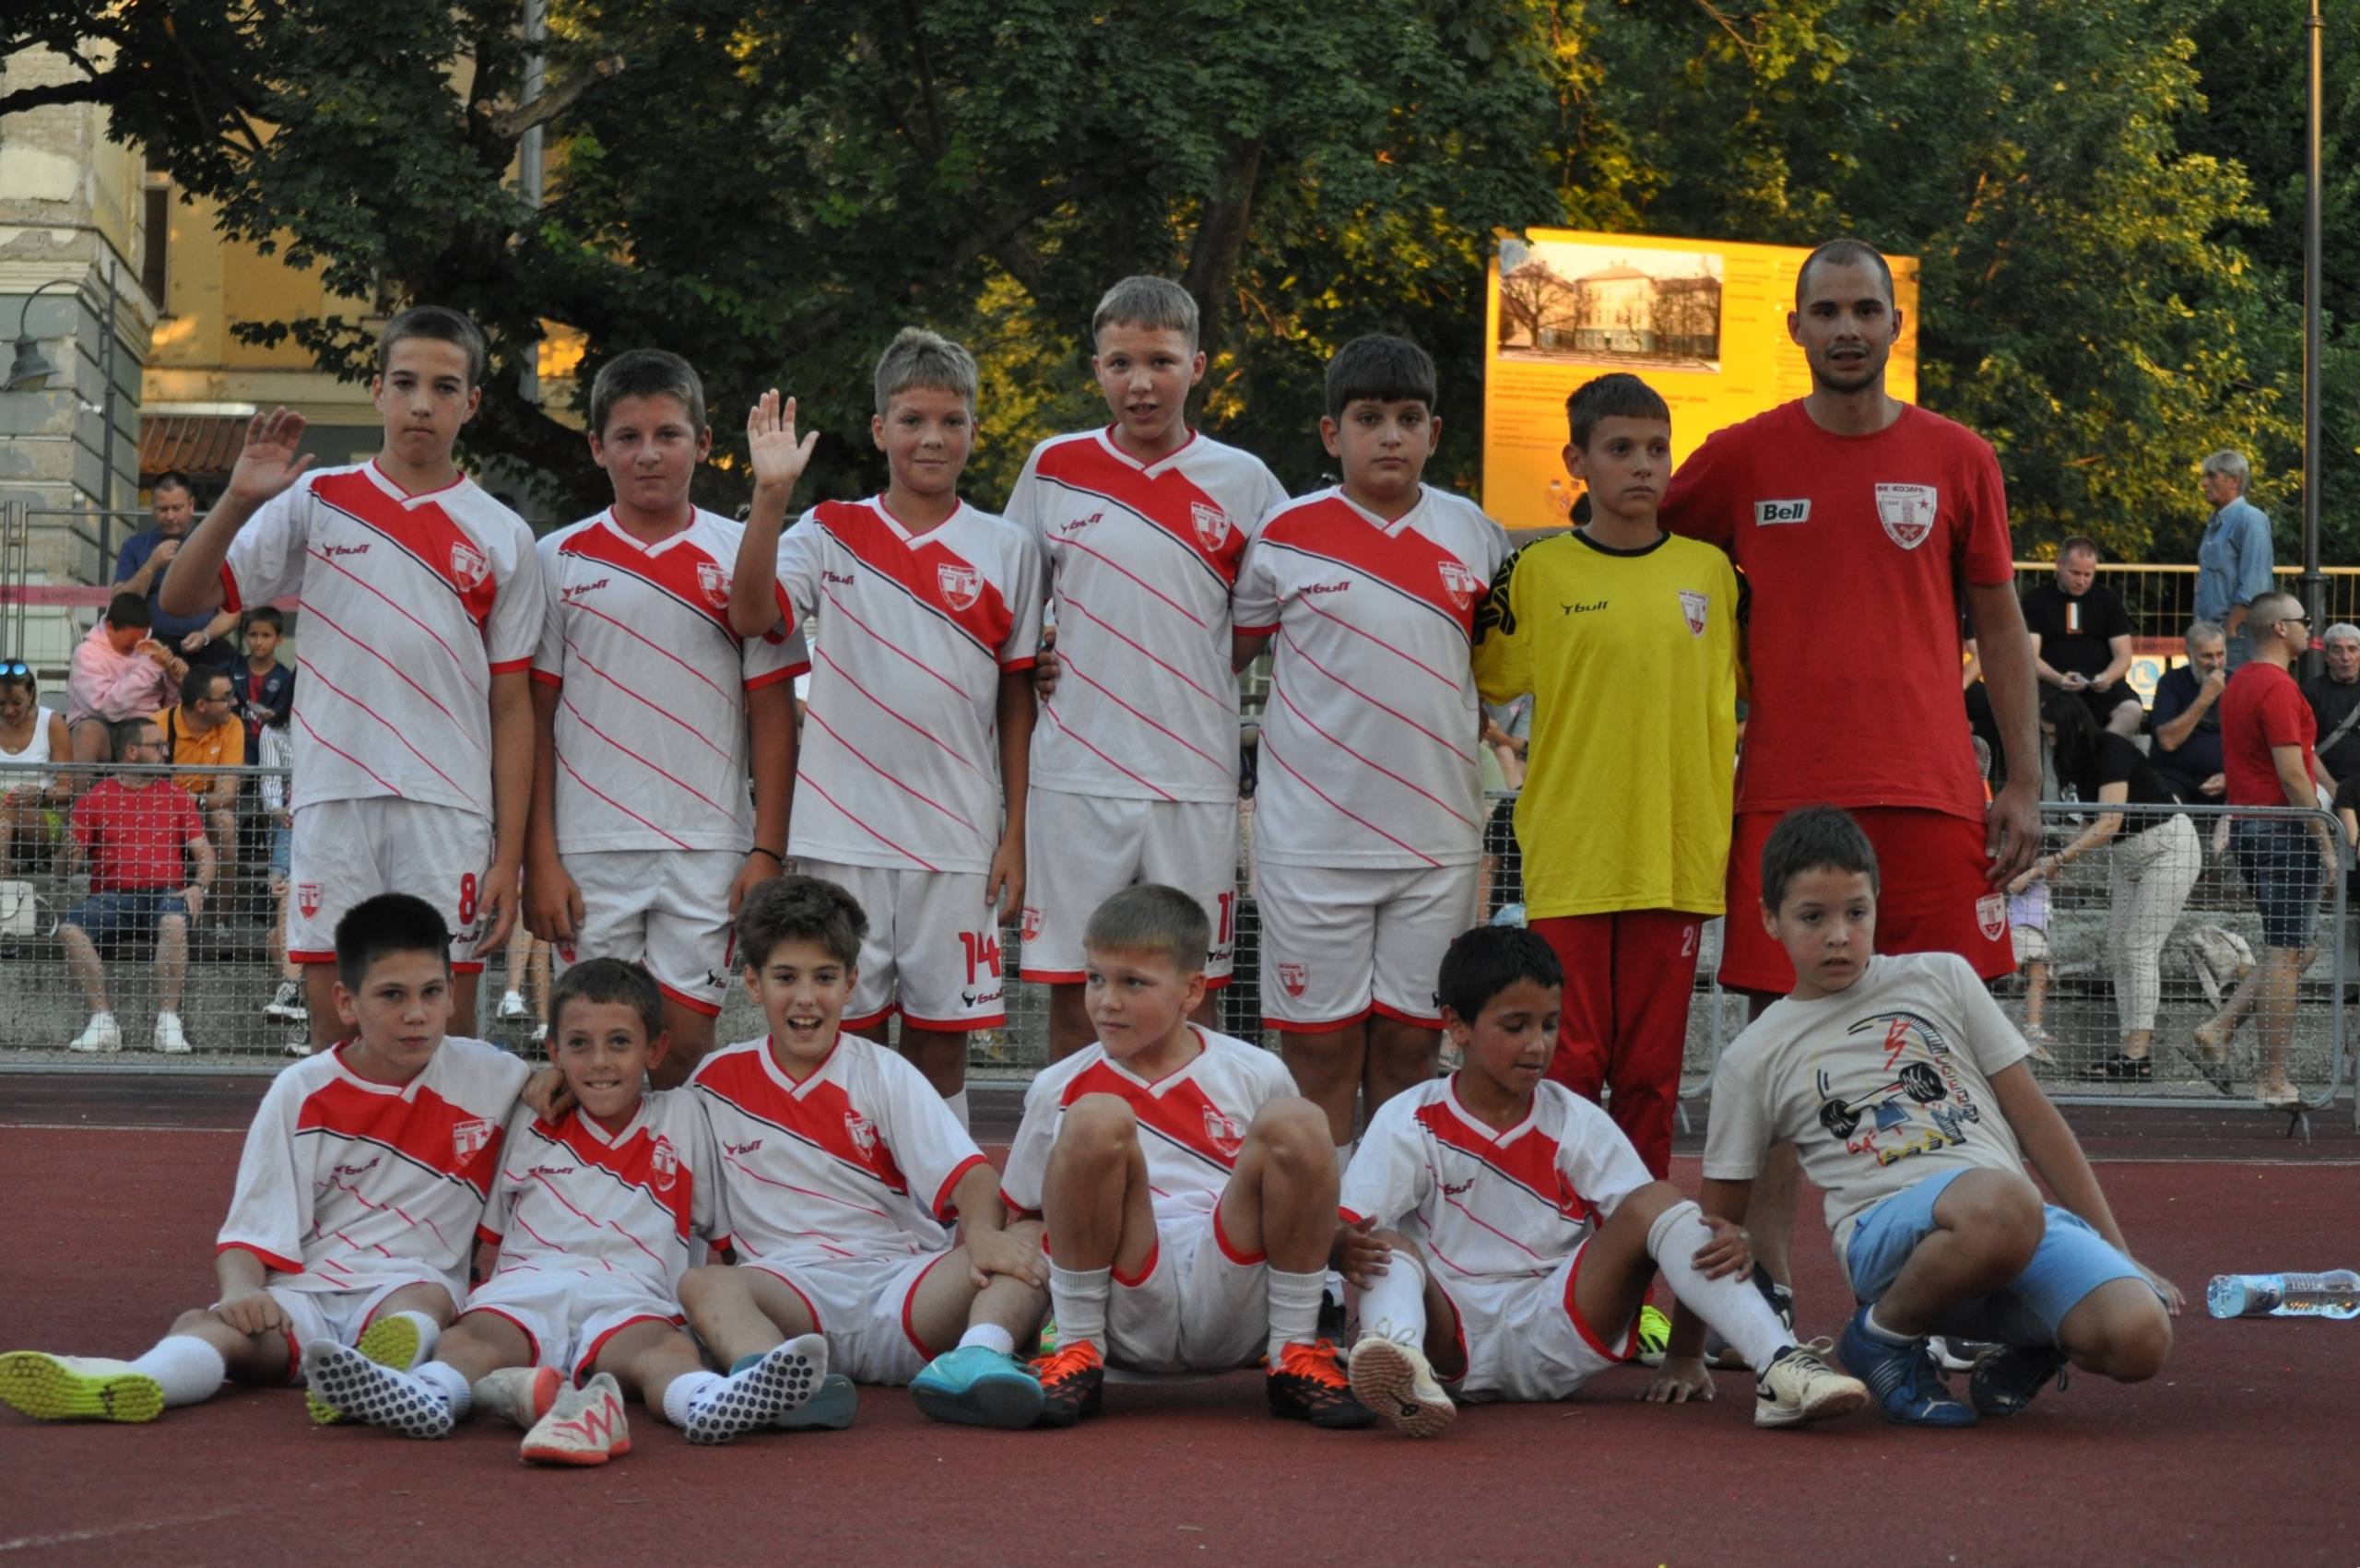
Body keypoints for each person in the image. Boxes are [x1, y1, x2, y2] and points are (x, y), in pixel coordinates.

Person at [1658, 237, 2041, 1308]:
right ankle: (1763, 1290)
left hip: (1932, 793)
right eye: (1824, 311)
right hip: (1786, 792)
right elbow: (1635, 545)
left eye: (1863, 310)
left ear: (1893, 326)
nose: (1844, 329)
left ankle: (1969, 1283)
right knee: (1779, 1046)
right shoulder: (1739, 459)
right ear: (1794, 328)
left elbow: (2000, 620)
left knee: (1953, 1045)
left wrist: (2020, 780)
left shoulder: (1960, 457)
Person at [1678, 807, 2177, 1428]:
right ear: (1769, 919)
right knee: (2004, 1202)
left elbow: (2036, 1119)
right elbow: (1717, 1223)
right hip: (1889, 1233)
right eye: (1812, 917)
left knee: (2139, 1335)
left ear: (1877, 906)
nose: (1838, 935)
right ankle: (1882, 1334)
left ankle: (2025, 1347)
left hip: (2005, 1219)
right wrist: (1684, 1353)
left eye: (1856, 912)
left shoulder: (1943, 977)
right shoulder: (1754, 1055)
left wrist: (2117, 1251)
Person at [159, 306, 544, 1049]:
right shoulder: (316, 497)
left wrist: (510, 855)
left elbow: (512, 705)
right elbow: (181, 599)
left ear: (471, 402)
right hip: (333, 797)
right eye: (404, 383)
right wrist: (238, 498)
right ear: (376, 390)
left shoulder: (505, 535)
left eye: (444, 387)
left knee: (449, 1030)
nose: (421, 403)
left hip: (449, 805)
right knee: (337, 1027)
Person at [0, 893, 529, 1424]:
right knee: (208, 1324)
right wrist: (242, 1291)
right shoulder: (301, 1089)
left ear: (452, 993)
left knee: (424, 1300)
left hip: (410, 1285)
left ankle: (372, 1373)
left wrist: (553, 1084)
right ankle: (137, 1379)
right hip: (305, 1294)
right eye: (392, 995)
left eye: (431, 992)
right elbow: (249, 1233)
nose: (416, 1014)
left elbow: (568, 1081)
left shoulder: (496, 1078)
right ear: (346, 1002)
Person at [1335, 925, 1866, 1437]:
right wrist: (1341, 1249)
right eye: (1515, 1026)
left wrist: (1714, 1274)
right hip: (1446, 1340)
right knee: (1381, 1243)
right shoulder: (1409, 1118)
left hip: (1559, 1332)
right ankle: (1401, 1361)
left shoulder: (1575, 1118)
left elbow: (1658, 1225)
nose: (1538, 1045)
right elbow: (1344, 1232)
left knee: (1657, 1200)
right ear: (1456, 1025)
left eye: (1549, 1025)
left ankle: (1780, 1364)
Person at [300, 956, 828, 1458]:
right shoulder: (529, 1120)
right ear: (553, 1051)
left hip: (631, 1297)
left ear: (655, 1050)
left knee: (666, 1354)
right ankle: (430, 1395)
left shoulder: (685, 1115)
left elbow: (722, 1240)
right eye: (579, 1044)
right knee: (469, 1340)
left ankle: (704, 1402)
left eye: (619, 1042)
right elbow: (487, 1237)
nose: (599, 1062)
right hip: (525, 1289)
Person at [728, 331, 1045, 1127]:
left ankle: (938, 1191)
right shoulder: (827, 529)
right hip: (841, 838)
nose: (931, 438)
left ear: (975, 429)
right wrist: (770, 496)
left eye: (950, 421)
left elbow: (1017, 698)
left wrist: (1015, 831)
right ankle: (850, 1184)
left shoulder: (1008, 548)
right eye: (911, 420)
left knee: (941, 1051)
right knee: (847, 1040)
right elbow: (751, 613)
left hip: (957, 841)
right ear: (879, 429)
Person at [1231, 334, 1510, 1163]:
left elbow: (1498, 673)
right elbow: (1222, 656)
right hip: (1311, 844)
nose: (1390, 435)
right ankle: (1315, 1232)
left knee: (1411, 1051)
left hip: (1435, 844)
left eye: (1408, 418)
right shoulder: (1284, 534)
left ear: (1434, 432)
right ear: (1332, 433)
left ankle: (1389, 1224)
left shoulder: (1477, 534)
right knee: (1317, 1058)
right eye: (1368, 418)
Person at [1001, 277, 1287, 1061]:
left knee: (1192, 992)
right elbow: (1012, 606)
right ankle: (1075, 1139)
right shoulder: (1053, 465)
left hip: (1192, 775)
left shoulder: (1247, 481)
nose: (1141, 383)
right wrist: (1045, 650)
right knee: (1078, 991)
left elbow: (1260, 623)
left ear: (1198, 366)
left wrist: (1188, 669)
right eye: (1121, 363)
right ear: (1096, 368)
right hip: (1075, 776)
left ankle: (1192, 1141)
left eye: (1161, 361)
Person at [1469, 371, 1739, 1180]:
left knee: (1652, 1079)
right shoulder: (1537, 571)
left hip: (1675, 858)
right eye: (1620, 448)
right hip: (1574, 856)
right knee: (1570, 1068)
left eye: (1657, 448)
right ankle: (1563, 1241)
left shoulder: (1713, 573)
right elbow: (1475, 679)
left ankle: (1640, 1249)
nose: (1643, 465)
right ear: (1576, 461)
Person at [676, 875, 1049, 1430]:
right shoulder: (713, 1082)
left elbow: (972, 1178)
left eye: (825, 977)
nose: (806, 997)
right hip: (790, 1298)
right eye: (785, 977)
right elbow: (651, 1143)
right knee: (703, 1284)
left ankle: (978, 1355)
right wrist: (562, 1083)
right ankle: (778, 1381)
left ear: (851, 983)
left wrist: (985, 1238)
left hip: (903, 1292)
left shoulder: (883, 1072)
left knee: (1034, 1236)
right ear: (753, 983)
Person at [999, 883, 1375, 1429]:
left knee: (1297, 1119)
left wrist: (1334, 1246)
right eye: (1095, 978)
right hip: (1119, 1299)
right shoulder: (1058, 1085)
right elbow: (1028, 1216)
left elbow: (1298, 1195)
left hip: (1236, 1294)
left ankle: (1294, 1350)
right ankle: (1076, 1350)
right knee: (1096, 1116)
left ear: (1193, 990)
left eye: (1133, 982)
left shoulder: (1254, 1071)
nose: (1107, 1001)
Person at [526, 349, 803, 1085]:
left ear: (704, 443)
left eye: (668, 434)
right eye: (628, 436)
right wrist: (539, 856)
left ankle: (674, 1163)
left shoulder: (746, 554)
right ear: (597, 447)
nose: (647, 453)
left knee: (681, 1050)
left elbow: (773, 713)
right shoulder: (554, 559)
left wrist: (767, 849)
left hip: (708, 847)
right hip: (589, 849)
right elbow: (534, 720)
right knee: (596, 1050)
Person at [2019, 690, 2200, 1082]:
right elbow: (2092, 821)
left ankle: (2137, 1053)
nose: (2051, 742)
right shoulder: (2080, 760)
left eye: (2053, 734)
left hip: (2168, 850)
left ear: (2072, 728)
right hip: (2129, 858)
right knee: (2121, 949)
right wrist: (2061, 861)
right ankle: (2130, 1049)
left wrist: (2058, 860)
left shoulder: (2112, 750)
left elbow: (2109, 822)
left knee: (2138, 947)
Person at [2200, 591, 2332, 1110]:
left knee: (2296, 949)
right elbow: (2293, 775)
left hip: (2252, 827)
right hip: (2283, 829)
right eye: (2303, 620)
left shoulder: (2240, 683)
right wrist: (2324, 839)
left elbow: (2291, 760)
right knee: (2285, 953)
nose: (2309, 628)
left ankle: (2221, 1026)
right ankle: (2272, 1079)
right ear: (2280, 628)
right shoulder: (2277, 687)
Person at [56, 716, 214, 1055]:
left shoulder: (177, 796)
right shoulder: (95, 798)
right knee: (69, 930)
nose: (165, 752)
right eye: (157, 746)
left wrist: (199, 886)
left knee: (174, 923)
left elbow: (204, 852)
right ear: (131, 751)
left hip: (166, 894)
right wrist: (67, 852)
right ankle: (102, 1022)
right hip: (111, 898)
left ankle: (168, 1023)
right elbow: (63, 872)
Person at [112, 471, 237, 670]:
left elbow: (232, 613)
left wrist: (205, 635)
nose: (170, 516)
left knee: (229, 665)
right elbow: (119, 602)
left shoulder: (214, 546)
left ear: (191, 505)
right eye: (163, 509)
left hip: (204, 645)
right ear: (153, 508)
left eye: (177, 508)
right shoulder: (135, 546)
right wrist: (151, 565)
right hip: (150, 646)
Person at [2022, 537, 2140, 736]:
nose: (2081, 580)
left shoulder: (2108, 600)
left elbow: (2124, 655)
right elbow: (2030, 657)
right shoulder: (2035, 600)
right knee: (2059, 715)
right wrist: (2058, 679)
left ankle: (2103, 751)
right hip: (2053, 685)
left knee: (2131, 711)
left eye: (2088, 574)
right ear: (2059, 565)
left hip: (2101, 685)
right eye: (2075, 573)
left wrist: (2107, 677)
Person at [64, 593, 184, 768]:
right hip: (103, 725)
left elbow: (169, 708)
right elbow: (107, 707)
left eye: (142, 638)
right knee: (87, 733)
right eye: (130, 641)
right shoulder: (87, 653)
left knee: (164, 733)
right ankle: (80, 787)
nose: (137, 646)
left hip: (146, 724)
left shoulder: (152, 651)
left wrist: (175, 681)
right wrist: (152, 668)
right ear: (110, 627)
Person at [154, 666, 244, 872]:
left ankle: (221, 895)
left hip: (204, 805)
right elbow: (142, 786)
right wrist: (180, 802)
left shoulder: (232, 725)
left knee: (224, 821)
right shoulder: (156, 726)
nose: (234, 702)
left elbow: (226, 795)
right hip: (162, 806)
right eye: (226, 698)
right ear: (201, 705)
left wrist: (196, 801)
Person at [2193, 450, 2272, 669]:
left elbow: (2255, 586)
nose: (2204, 483)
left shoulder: (2251, 520)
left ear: (2234, 481)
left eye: (2212, 476)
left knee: (2236, 684)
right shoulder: (2215, 522)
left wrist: (2230, 629)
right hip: (2213, 634)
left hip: (2238, 635)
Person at [255, 710, 306, 1035]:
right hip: (294, 825)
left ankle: (299, 1004)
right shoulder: (275, 731)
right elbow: (273, 794)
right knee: (278, 936)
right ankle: (301, 1013)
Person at [2148, 620, 2229, 805]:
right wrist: (2205, 698)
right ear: (2188, 654)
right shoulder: (2171, 682)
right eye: (2207, 656)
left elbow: (2249, 744)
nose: (2216, 663)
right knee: (2167, 808)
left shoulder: (2237, 684)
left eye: (2220, 654)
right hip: (2174, 778)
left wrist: (2230, 776)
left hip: (2225, 781)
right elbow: (2168, 741)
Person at [0, 661, 69, 872]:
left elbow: (68, 791)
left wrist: (39, 794)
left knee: (4, 817)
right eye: (0, 703)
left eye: (17, 703)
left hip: (41, 814)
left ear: (31, 696)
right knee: (3, 825)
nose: (9, 711)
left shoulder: (51, 723)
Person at [2301, 621, 2360, 790]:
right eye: (2337, 650)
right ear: (2326, 656)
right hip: (2325, 786)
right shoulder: (2311, 692)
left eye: (2352, 649)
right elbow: (2304, 748)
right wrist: (2333, 790)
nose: (2346, 657)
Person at [230, 606, 295, 749]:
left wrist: (275, 720)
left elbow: (288, 723)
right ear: (245, 636)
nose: (258, 642)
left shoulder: (286, 679)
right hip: (234, 743)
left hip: (272, 746)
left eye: (266, 635)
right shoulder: (230, 670)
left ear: (279, 640)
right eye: (253, 635)